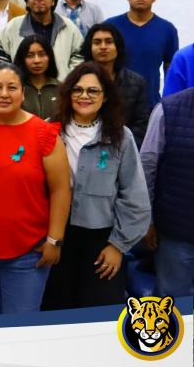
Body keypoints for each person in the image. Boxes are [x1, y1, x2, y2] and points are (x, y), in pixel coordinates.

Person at [0, 63, 71, 315]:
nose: (4, 94)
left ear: (23, 93)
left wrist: (55, 239)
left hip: (29, 253)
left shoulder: (44, 133)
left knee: (20, 332)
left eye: (12, 87)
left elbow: (61, 190)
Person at [40, 62, 150, 310]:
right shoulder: (49, 130)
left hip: (102, 242)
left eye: (93, 91)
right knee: (54, 315)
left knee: (98, 319)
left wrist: (117, 246)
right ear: (68, 94)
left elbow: (135, 198)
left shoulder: (121, 137)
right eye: (77, 90)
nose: (84, 96)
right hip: (57, 238)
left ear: (106, 96)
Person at [140, 85, 194, 298]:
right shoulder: (168, 110)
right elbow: (146, 169)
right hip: (177, 234)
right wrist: (148, 220)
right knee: (170, 304)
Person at [105, 0, 178, 108]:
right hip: (112, 102)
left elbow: (171, 72)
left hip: (149, 104)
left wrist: (169, 102)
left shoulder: (167, 29)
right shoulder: (110, 26)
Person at [0, 0, 84, 80]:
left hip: (60, 88)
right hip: (22, 88)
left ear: (53, 1)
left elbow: (80, 54)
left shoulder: (68, 26)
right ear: (27, 2)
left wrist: (68, 77)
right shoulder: (14, 25)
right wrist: (12, 76)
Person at [82, 24, 150, 147]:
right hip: (85, 145)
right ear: (89, 48)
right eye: (97, 42)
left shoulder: (136, 82)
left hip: (124, 147)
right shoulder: (78, 80)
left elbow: (141, 124)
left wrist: (126, 150)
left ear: (118, 47)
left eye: (109, 42)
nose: (103, 47)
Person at [15, 35, 61, 121]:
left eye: (42, 55)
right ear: (22, 59)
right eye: (30, 55)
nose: (37, 61)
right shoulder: (15, 88)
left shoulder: (61, 88)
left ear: (49, 57)